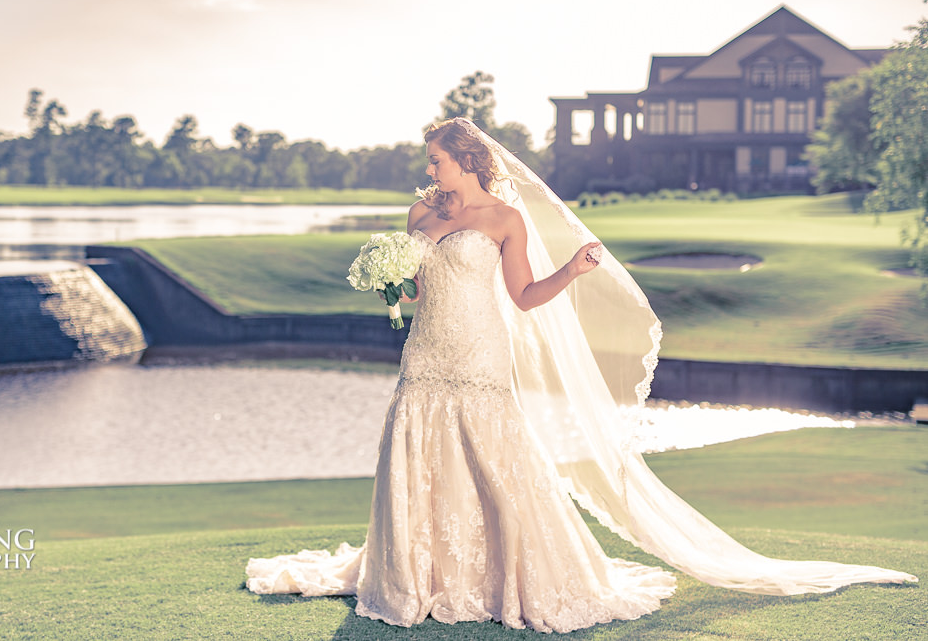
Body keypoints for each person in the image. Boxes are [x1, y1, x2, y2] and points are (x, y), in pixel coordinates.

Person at [246, 118, 916, 633]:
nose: (430, 169)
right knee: (416, 447)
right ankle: (416, 572)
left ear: (469, 160)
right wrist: (391, 288)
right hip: (425, 349)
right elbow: (420, 289)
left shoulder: (505, 218)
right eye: (429, 161)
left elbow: (523, 296)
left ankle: (506, 574)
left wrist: (572, 270)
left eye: (438, 158)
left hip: (480, 352)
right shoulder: (421, 214)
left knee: (495, 463)